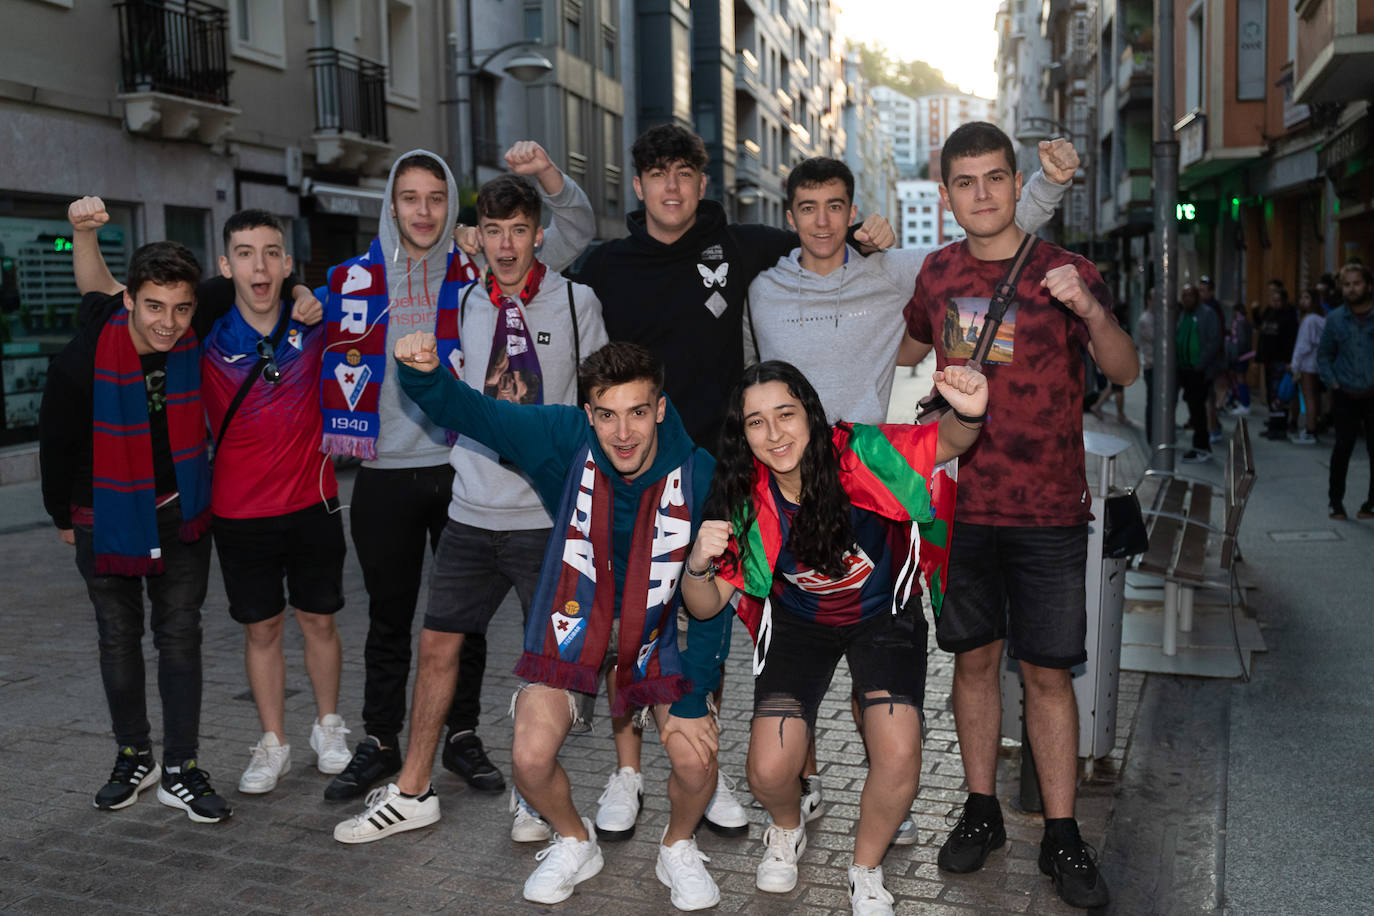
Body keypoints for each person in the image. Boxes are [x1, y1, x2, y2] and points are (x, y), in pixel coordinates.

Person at [569, 123, 895, 837]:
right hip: (631, 463)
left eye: (685, 172)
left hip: (717, 467)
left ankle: (703, 764)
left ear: (702, 182)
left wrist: (871, 235)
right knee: (633, 618)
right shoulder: (605, 262)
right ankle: (626, 773)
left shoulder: (740, 245)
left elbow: (823, 235)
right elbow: (535, 266)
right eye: (658, 174)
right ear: (639, 184)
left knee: (709, 619)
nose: (673, 187)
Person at [743, 149, 1071, 838]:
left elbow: (990, 235)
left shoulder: (893, 273)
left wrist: (1052, 183)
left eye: (836, 205)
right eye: (808, 207)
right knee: (791, 650)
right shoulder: (763, 287)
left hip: (871, 484)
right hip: (784, 491)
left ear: (853, 209)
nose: (823, 220)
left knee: (876, 664)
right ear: (790, 214)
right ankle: (798, 794)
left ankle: (884, 799)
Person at [359, 337, 728, 911]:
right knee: (528, 759)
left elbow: (715, 609)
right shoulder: (562, 436)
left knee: (696, 756)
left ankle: (677, 845)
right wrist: (424, 373)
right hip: (575, 622)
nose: (622, 433)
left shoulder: (701, 472)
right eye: (606, 415)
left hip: (656, 635)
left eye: (636, 413)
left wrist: (695, 695)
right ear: (588, 413)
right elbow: (473, 412)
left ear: (659, 408)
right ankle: (575, 840)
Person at [331, 162, 608, 844]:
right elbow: (379, 296)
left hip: (547, 516)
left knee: (549, 660)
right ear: (477, 237)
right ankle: (413, 790)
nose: (508, 245)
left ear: (539, 235)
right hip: (472, 508)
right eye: (494, 230)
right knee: (437, 646)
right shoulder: (460, 300)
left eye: (520, 229)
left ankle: (534, 792)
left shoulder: (578, 303)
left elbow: (603, 407)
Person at [901, 121, 1138, 910]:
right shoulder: (934, 275)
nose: (982, 194)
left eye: (995, 178)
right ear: (945, 196)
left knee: (1046, 673)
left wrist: (1092, 312)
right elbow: (902, 358)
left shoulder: (1066, 269)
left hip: (1047, 510)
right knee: (972, 663)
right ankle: (981, 811)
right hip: (959, 511)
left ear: (1016, 182)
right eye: (964, 182)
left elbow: (1123, 366)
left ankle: (1063, 835)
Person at [680, 360, 988, 915]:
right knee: (769, 771)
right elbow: (704, 608)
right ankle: (787, 825)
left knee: (898, 751)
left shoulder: (860, 454)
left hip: (883, 615)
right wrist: (697, 564)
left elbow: (944, 442)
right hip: (800, 623)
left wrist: (970, 410)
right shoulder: (745, 497)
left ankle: (865, 870)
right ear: (741, 434)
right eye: (756, 422)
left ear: (811, 414)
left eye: (785, 414)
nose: (774, 435)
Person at [39, 231, 231, 823]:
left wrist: (300, 288)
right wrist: (61, 516)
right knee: (117, 638)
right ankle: (133, 756)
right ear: (130, 300)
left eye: (180, 307)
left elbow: (259, 281)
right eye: (154, 306)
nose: (169, 323)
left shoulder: (199, 317)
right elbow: (56, 440)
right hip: (103, 513)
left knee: (180, 636)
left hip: (178, 510)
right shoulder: (83, 355)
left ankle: (180, 768)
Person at [201, 209, 350, 794]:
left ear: (288, 263)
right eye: (244, 252)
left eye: (270, 253)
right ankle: (273, 743)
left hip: (313, 501)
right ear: (225, 265)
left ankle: (328, 727)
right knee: (260, 631)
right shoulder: (205, 332)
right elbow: (123, 297)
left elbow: (382, 283)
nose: (257, 265)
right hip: (238, 513)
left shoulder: (317, 323)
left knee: (320, 619)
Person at [1317, 262, 1374, 520]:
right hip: (1345, 392)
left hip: (1372, 393)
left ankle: (1371, 502)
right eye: (1347, 285)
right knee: (1343, 447)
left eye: (1357, 283)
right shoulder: (1336, 318)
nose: (1352, 289)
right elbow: (1324, 354)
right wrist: (1334, 383)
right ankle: (1335, 501)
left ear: (1368, 285)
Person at [1177, 283, 1222, 463]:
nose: (1187, 298)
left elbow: (1214, 341)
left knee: (1199, 410)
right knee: (1193, 409)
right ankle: (1200, 446)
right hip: (1185, 370)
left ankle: (1201, 447)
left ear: (1197, 297)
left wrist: (1200, 364)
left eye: (1190, 295)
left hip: (1199, 371)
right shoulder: (1183, 315)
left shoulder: (1207, 314)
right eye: (1184, 295)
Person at [1289, 287, 1326, 445]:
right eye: (1301, 298)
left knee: (1308, 396)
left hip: (1308, 363)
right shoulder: (1321, 319)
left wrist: (1295, 364)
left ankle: (1311, 430)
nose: (1302, 301)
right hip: (1317, 362)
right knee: (1313, 396)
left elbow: (1303, 345)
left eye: (1307, 298)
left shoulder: (1310, 320)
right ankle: (1312, 427)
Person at [1137, 289, 1157, 442]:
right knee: (1152, 402)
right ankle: (1152, 435)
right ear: (1148, 301)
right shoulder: (1146, 319)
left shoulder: (1157, 317)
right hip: (1151, 367)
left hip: (1156, 367)